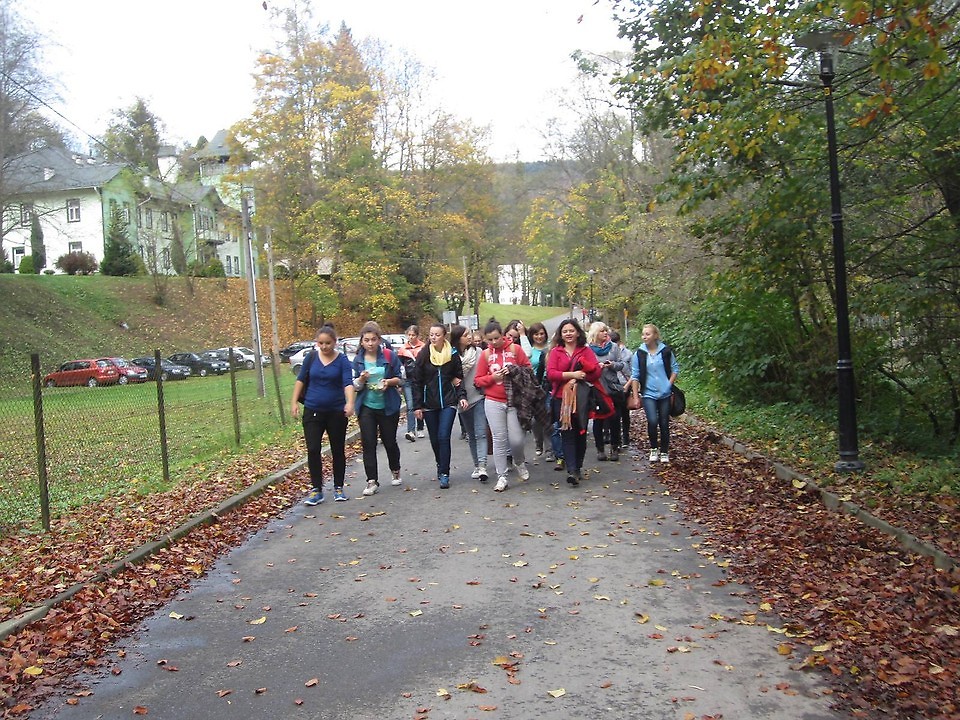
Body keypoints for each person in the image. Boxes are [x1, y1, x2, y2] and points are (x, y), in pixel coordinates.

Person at [289, 326, 355, 504]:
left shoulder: (342, 360)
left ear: (335, 342)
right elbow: (300, 380)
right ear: (316, 343)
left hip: (336, 411)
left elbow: (348, 383)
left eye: (328, 343)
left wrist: (349, 403)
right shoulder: (311, 358)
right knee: (313, 449)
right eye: (321, 343)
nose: (324, 347)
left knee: (337, 449)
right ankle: (316, 489)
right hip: (313, 409)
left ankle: (338, 487)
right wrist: (294, 402)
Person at [475, 321, 532, 492]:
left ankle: (519, 461)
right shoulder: (485, 354)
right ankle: (502, 476)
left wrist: (514, 370)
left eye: (497, 338)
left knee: (516, 439)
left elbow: (528, 370)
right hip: (493, 401)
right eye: (490, 339)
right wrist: (492, 378)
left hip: (514, 400)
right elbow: (478, 380)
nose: (494, 342)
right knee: (499, 439)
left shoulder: (515, 349)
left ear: (503, 335)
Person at [546, 318, 604, 487]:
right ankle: (571, 470)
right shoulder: (556, 352)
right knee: (567, 433)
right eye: (565, 331)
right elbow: (551, 374)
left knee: (580, 433)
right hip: (561, 399)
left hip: (582, 398)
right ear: (561, 334)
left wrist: (582, 375)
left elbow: (596, 372)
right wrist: (572, 375)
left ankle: (577, 467)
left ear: (578, 333)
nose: (568, 334)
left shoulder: (585, 351)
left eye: (571, 330)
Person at [411, 323, 468, 489]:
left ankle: (444, 473)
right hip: (429, 403)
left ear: (444, 336)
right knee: (435, 439)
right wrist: (417, 406)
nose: (433, 337)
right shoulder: (423, 355)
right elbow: (416, 381)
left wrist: (462, 396)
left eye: (437, 335)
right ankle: (439, 463)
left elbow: (458, 378)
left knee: (443, 436)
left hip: (448, 402)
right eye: (431, 335)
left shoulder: (452, 354)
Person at [352, 321, 405, 497]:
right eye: (366, 340)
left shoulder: (389, 356)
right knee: (368, 443)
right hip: (366, 406)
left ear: (379, 340)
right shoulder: (358, 360)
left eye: (373, 339)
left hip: (387, 405)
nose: (370, 343)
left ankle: (395, 469)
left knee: (389, 441)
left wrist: (388, 382)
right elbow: (354, 385)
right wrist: (361, 379)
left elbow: (400, 378)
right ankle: (372, 480)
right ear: (361, 342)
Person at [629, 323, 680, 463]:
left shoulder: (665, 351)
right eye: (643, 334)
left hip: (665, 393)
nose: (644, 336)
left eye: (648, 334)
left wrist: (668, 385)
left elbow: (675, 369)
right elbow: (635, 375)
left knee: (664, 422)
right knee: (652, 421)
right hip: (648, 393)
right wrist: (636, 396)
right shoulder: (639, 354)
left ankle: (664, 451)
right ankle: (653, 448)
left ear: (655, 335)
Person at [451, 324, 489, 483]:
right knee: (471, 434)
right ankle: (476, 465)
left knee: (481, 433)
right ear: (458, 338)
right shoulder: (451, 356)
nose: (469, 337)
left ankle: (483, 466)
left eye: (470, 334)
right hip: (462, 400)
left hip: (478, 396)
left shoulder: (478, 352)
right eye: (465, 335)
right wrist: (451, 379)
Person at [587, 322, 628, 462]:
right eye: (602, 331)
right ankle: (600, 449)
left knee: (615, 418)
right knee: (598, 419)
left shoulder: (614, 347)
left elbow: (622, 364)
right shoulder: (588, 349)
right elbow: (584, 366)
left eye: (606, 330)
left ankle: (614, 447)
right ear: (595, 333)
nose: (605, 333)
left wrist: (612, 365)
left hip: (612, 387)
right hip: (596, 388)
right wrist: (595, 367)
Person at [526, 322, 555, 460]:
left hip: (548, 385)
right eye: (536, 334)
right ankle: (538, 442)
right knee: (535, 420)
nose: (539, 336)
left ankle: (550, 449)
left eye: (542, 333)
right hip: (532, 386)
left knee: (548, 416)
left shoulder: (550, 348)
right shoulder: (529, 350)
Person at [398, 325, 426, 442]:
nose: (411, 337)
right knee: (410, 405)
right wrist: (400, 382)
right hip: (408, 380)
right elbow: (400, 366)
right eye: (409, 335)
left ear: (417, 335)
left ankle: (420, 427)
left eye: (413, 335)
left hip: (420, 380)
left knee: (419, 402)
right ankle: (411, 430)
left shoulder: (423, 347)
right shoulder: (403, 349)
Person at [610, 330, 632, 447]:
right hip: (613, 386)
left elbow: (634, 371)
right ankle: (616, 439)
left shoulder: (628, 353)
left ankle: (625, 437)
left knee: (625, 412)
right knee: (615, 414)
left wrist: (628, 385)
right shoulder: (608, 352)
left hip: (624, 384)